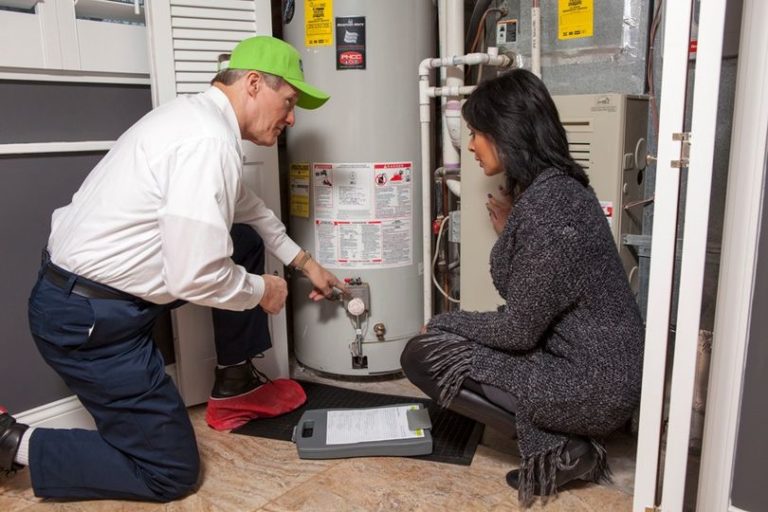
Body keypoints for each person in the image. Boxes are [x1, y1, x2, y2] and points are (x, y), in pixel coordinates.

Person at [0, 36, 345, 501]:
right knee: (170, 473)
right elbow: (195, 277)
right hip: (89, 324)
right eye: (288, 102)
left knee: (240, 238)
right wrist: (261, 291)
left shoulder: (192, 118)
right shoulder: (206, 143)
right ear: (254, 83)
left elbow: (251, 209)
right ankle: (14, 442)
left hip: (100, 298)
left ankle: (233, 383)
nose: (292, 117)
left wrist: (305, 263)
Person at [400, 69, 644, 505]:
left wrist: (441, 321)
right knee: (445, 341)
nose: (471, 145)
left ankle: (565, 448)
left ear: (507, 131)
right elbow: (533, 298)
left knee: (424, 355)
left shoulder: (553, 208)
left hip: (593, 385)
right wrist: (513, 231)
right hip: (581, 366)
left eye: (476, 133)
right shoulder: (551, 194)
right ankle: (565, 439)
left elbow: (518, 330)